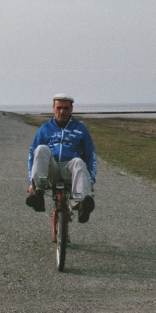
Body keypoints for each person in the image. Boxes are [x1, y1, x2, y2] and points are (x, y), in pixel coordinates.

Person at [26, 93, 96, 223]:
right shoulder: (45, 128)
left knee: (79, 161)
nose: (62, 111)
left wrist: (90, 182)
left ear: (71, 109)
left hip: (70, 169)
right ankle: (38, 193)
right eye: (58, 108)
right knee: (41, 149)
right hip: (50, 170)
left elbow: (90, 155)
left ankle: (81, 205)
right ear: (53, 108)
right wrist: (31, 182)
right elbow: (32, 154)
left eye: (65, 108)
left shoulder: (81, 129)